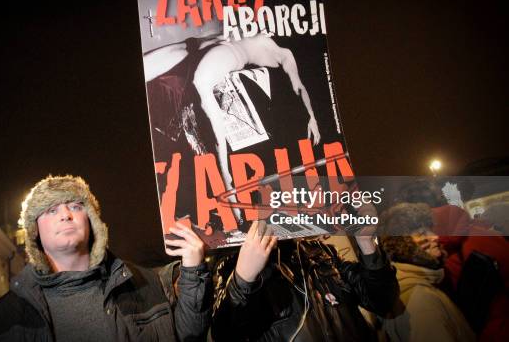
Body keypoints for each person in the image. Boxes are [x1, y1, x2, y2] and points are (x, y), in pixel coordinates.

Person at [0, 175, 212, 341]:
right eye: (51, 210)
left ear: (92, 221)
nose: (65, 215)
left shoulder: (143, 283)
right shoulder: (6, 315)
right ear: (34, 230)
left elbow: (190, 336)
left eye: (75, 206)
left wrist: (193, 270)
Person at [144, 33, 321, 226]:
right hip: (208, 60)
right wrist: (311, 116)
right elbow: (299, 87)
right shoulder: (276, 51)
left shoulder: (278, 51)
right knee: (219, 152)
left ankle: (231, 200)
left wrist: (311, 117)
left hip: (200, 56)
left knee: (184, 58)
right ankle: (231, 198)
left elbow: (299, 87)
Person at [211, 208, 398, 341]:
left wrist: (366, 243)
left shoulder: (320, 252)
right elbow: (226, 333)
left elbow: (382, 301)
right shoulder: (231, 266)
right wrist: (243, 278)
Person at [379, 202, 475, 342]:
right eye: (423, 233)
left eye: (430, 229)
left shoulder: (408, 285)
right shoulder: (422, 301)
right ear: (404, 244)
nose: (435, 237)